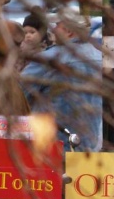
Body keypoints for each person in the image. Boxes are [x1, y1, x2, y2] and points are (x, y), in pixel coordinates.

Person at [20, 17, 103, 151]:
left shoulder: (50, 59)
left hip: (54, 141)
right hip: (87, 141)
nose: (52, 30)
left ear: (69, 31)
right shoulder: (98, 57)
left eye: (56, 26)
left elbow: (19, 93)